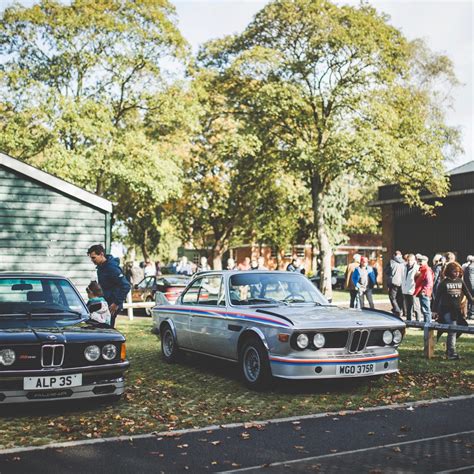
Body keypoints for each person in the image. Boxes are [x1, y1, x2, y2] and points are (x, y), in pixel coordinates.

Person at [433, 262, 473, 360]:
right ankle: (451, 352)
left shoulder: (460, 281)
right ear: (449, 271)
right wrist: (434, 311)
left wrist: (472, 301)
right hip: (446, 310)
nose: (456, 273)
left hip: (457, 310)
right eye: (454, 271)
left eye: (458, 272)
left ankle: (449, 348)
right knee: (453, 329)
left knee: (462, 327)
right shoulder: (444, 283)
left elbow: (467, 293)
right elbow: (437, 298)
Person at [87, 244, 131, 328]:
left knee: (107, 329)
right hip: (104, 303)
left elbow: (126, 286)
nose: (92, 260)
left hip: (112, 305)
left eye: (93, 257)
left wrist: (116, 303)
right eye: (91, 258)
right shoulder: (101, 267)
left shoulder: (111, 268)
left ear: (101, 254)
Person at [414, 255, 434, 323]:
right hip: (422, 291)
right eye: (419, 261)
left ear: (426, 261)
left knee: (426, 309)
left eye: (421, 261)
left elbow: (429, 282)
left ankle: (428, 324)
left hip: (424, 292)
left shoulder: (426, 270)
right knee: (424, 309)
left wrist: (424, 291)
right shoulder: (422, 269)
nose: (420, 262)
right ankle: (426, 324)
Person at [385, 250, 405, 317]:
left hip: (394, 282)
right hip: (402, 282)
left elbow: (386, 271)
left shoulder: (391, 262)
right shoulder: (404, 263)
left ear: (394, 255)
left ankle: (397, 310)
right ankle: (398, 310)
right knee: (400, 297)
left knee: (392, 297)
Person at [401, 254, 419, 321]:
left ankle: (418, 321)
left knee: (416, 306)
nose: (409, 262)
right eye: (408, 260)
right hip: (405, 289)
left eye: (411, 260)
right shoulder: (404, 267)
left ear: (414, 260)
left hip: (413, 289)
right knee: (408, 307)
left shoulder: (417, 268)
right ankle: (409, 321)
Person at [463, 255, 474, 319]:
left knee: (469, 300)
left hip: (468, 286)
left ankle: (470, 313)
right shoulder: (471, 268)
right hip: (471, 287)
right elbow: (471, 279)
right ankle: (471, 313)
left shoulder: (468, 267)